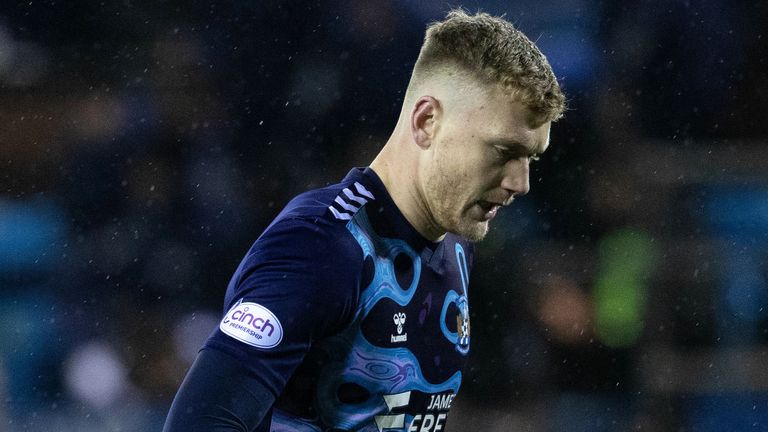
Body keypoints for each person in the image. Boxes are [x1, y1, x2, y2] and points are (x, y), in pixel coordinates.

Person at [163, 8, 565, 432]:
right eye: (503, 152)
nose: (521, 183)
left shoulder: (456, 243)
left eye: (530, 158)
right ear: (427, 121)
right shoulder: (322, 246)